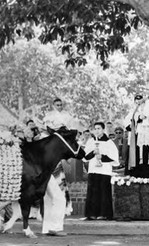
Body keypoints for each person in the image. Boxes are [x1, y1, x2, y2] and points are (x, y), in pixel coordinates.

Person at [41, 98, 77, 236]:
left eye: (61, 104)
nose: (59, 106)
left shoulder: (61, 141)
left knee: (52, 198)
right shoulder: (45, 138)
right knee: (58, 198)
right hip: (48, 170)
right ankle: (54, 228)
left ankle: (48, 228)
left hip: (53, 170)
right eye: (57, 105)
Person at [82, 122, 119, 220]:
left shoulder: (109, 142)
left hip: (104, 170)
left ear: (103, 129)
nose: (97, 131)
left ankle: (104, 213)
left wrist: (102, 157)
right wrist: (92, 153)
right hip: (93, 169)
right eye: (95, 129)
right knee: (93, 192)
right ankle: (92, 214)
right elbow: (85, 157)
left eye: (99, 128)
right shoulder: (90, 141)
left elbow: (114, 158)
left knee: (103, 192)